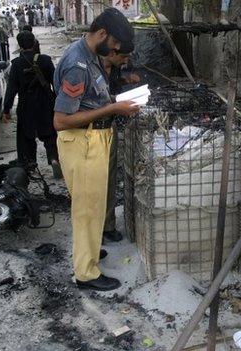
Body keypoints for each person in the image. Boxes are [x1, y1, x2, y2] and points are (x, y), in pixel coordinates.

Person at [53, 8, 139, 291]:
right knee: (87, 210)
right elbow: (61, 120)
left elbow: (92, 100)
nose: (115, 51)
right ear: (102, 34)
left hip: (93, 139)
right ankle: (86, 274)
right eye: (115, 46)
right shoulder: (77, 65)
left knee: (93, 206)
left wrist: (116, 100)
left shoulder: (92, 58)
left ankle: (88, 252)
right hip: (82, 141)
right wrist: (114, 107)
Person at [3, 31, 61, 178]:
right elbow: (56, 84)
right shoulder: (46, 60)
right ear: (34, 42)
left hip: (26, 105)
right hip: (45, 104)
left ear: (20, 45)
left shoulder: (16, 64)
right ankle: (54, 159)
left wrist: (6, 109)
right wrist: (59, 103)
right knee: (49, 134)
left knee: (26, 137)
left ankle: (29, 165)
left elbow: (11, 89)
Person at [101, 42, 140, 242]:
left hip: (110, 125)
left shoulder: (114, 68)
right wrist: (115, 105)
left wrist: (127, 82)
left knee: (110, 177)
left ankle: (108, 225)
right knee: (93, 183)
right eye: (123, 56)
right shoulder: (90, 66)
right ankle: (93, 232)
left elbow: (113, 91)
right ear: (112, 52)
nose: (125, 61)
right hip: (90, 131)